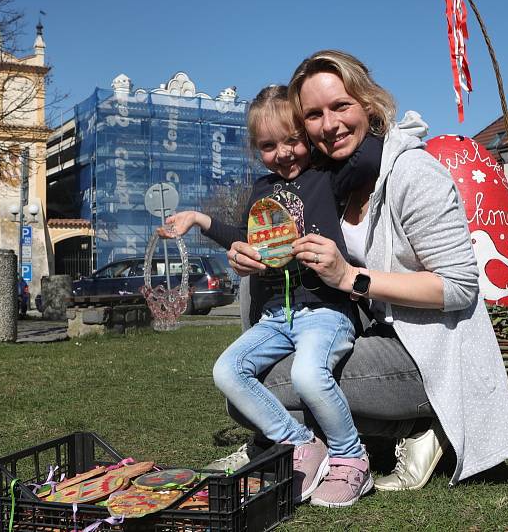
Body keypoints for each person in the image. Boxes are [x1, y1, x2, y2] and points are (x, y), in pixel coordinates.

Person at [223, 50, 508, 490]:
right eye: (313, 114)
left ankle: (425, 423)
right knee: (249, 385)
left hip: (428, 348)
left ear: (368, 102)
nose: (329, 124)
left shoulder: (413, 174)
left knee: (277, 385)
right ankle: (311, 443)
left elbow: (460, 288)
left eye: (341, 106)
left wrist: (350, 277)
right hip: (373, 332)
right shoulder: (329, 179)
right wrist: (250, 256)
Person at [159, 85, 383, 507]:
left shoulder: (327, 176)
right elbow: (245, 239)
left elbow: (370, 155)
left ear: (309, 135)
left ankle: (351, 459)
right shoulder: (261, 190)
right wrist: (200, 220)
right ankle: (301, 444)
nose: (283, 153)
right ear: (255, 149)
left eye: (292, 140)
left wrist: (350, 118)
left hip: (326, 311)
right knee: (227, 370)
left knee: (306, 375)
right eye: (268, 145)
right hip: (276, 316)